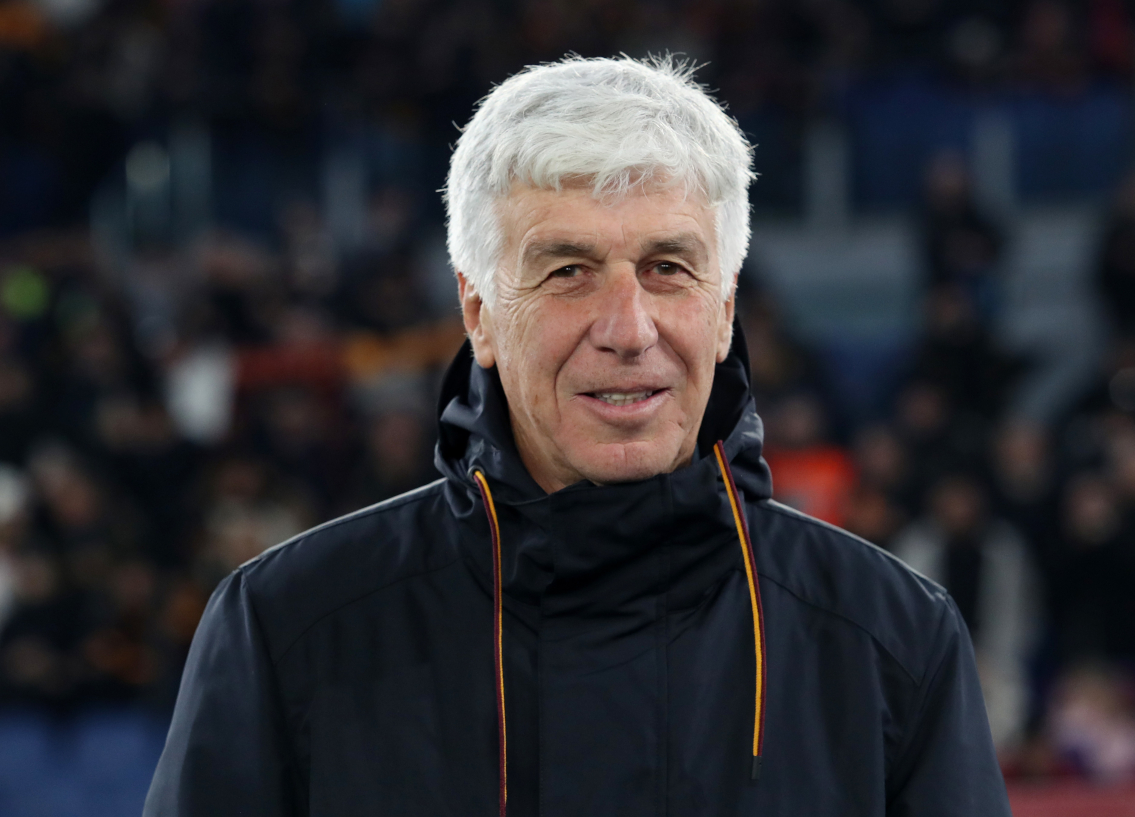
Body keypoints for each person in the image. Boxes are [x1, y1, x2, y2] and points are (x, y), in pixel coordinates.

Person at [144, 56, 1010, 816]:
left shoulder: (890, 641)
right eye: (569, 271)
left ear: (726, 310)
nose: (628, 329)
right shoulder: (286, 629)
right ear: (479, 312)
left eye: (668, 269)